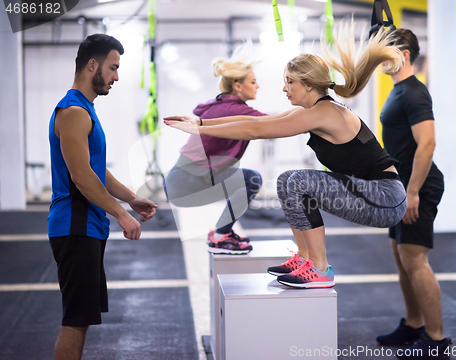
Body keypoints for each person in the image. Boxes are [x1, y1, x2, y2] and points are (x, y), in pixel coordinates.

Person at [164, 23, 407, 289]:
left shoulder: (324, 112)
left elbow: (255, 129)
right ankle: (305, 259)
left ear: (308, 84)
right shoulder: (315, 110)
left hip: (384, 198)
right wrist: (201, 124)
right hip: (371, 194)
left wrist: (199, 126)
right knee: (286, 180)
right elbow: (256, 122)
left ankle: (320, 268)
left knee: (300, 181)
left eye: (290, 82)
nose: (285, 89)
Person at [48, 34, 157, 360]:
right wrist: (121, 214)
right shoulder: (73, 112)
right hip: (74, 225)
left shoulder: (85, 110)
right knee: (75, 321)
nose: (117, 76)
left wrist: (130, 199)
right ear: (92, 65)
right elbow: (81, 178)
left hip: (86, 226)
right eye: (113, 67)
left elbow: (95, 170)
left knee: (81, 320)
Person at [376, 28, 451, 359]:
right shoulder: (398, 90)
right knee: (400, 256)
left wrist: (413, 192)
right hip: (402, 185)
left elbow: (428, 143)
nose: (379, 59)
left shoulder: (414, 93)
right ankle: (414, 325)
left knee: (414, 259)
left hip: (418, 186)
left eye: (385, 52)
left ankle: (436, 339)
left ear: (404, 55)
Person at [164, 43, 269, 254]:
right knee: (251, 179)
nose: (258, 86)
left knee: (248, 179)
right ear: (238, 87)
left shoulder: (220, 105)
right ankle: (221, 235)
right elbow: (275, 125)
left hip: (178, 181)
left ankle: (222, 233)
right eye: (253, 82)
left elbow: (273, 122)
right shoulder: (235, 109)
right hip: (186, 182)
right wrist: (313, 118)